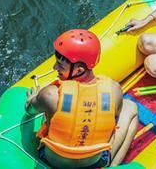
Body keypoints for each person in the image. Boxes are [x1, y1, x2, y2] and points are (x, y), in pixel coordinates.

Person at [25, 29, 138, 168]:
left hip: (52, 160)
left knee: (50, 111)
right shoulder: (114, 90)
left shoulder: (50, 95)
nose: (55, 68)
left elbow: (29, 110)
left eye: (60, 65)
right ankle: (110, 165)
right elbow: (114, 120)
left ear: (78, 69)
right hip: (93, 161)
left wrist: (34, 97)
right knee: (131, 107)